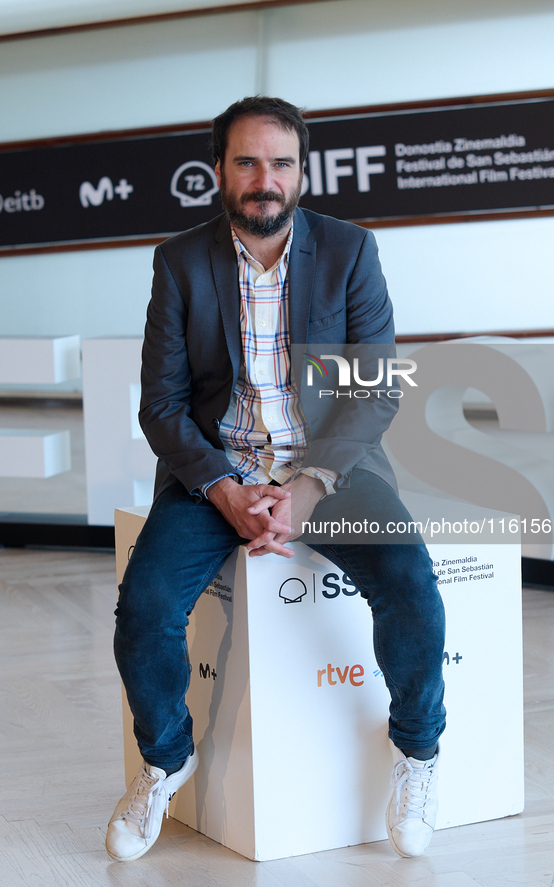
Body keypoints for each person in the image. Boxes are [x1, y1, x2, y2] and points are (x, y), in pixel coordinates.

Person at [106, 96, 446, 863]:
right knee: (146, 606)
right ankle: (165, 759)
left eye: (281, 163)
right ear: (218, 169)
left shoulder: (350, 250)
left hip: (328, 470)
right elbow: (160, 405)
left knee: (411, 584)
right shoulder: (181, 261)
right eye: (247, 161)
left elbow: (375, 386)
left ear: (302, 171)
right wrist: (226, 489)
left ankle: (417, 752)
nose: (265, 179)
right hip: (214, 472)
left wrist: (307, 487)